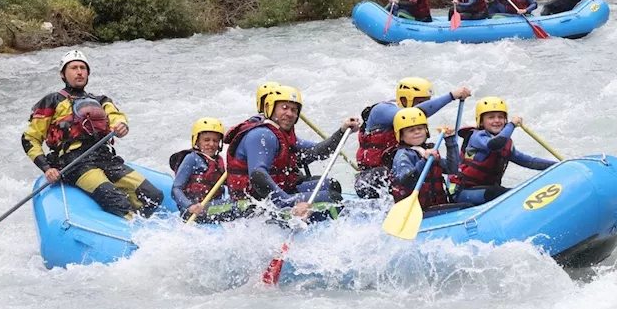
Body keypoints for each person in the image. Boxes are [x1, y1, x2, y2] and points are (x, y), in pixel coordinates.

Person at [21, 50, 163, 218]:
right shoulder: (52, 101)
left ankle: (140, 224)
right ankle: (128, 229)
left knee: (153, 196)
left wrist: (121, 126)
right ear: (62, 74)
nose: (79, 72)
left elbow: (116, 117)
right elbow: (30, 138)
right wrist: (47, 168)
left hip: (105, 158)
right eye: (73, 68)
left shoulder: (101, 100)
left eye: (83, 68)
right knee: (118, 201)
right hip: (75, 164)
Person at [224, 85, 362, 217]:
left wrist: (342, 131)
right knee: (332, 198)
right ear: (270, 108)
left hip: (280, 192)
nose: (289, 113)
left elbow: (318, 151)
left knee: (332, 185)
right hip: (255, 204)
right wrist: (290, 204)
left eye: (294, 110)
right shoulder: (262, 135)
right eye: (284, 108)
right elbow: (258, 176)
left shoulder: (283, 134)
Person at [354, 77, 471, 198]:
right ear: (405, 99)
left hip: (400, 169)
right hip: (371, 179)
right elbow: (411, 114)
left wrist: (450, 141)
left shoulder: (416, 149)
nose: (426, 106)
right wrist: (451, 96)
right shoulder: (382, 110)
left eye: (427, 101)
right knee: (386, 175)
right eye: (421, 102)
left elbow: (452, 168)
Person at [452, 96, 556, 206]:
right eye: (491, 117)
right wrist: (512, 125)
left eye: (500, 117)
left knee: (516, 191)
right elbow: (495, 144)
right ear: (481, 122)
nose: (497, 120)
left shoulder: (506, 144)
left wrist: (558, 165)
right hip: (463, 192)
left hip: (486, 190)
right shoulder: (477, 137)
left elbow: (529, 161)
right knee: (499, 192)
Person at [169, 117, 242, 223]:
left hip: (211, 207)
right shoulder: (191, 158)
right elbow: (175, 189)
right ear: (197, 141)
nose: (211, 144)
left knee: (245, 203)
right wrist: (190, 206)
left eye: (215, 140)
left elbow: (228, 183)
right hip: (195, 211)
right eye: (206, 140)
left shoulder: (219, 160)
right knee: (243, 206)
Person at [387, 108, 459, 209]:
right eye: (411, 130)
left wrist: (450, 141)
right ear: (401, 136)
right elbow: (407, 180)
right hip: (416, 210)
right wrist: (424, 161)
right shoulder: (403, 155)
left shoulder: (429, 150)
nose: (417, 132)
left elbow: (452, 169)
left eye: (420, 128)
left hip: (436, 206)